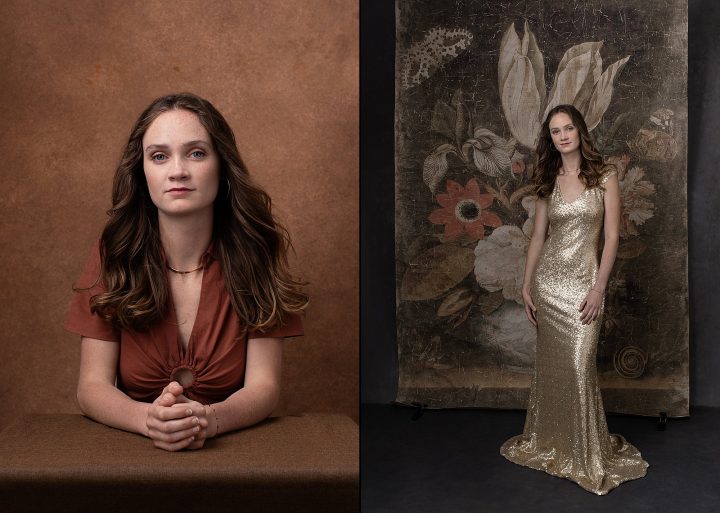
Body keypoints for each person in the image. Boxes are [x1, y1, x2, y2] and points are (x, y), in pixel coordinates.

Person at [66, 93, 308, 452]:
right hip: (130, 458)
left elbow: (265, 387)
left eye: (196, 153)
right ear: (141, 170)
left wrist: (210, 421)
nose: (177, 170)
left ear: (222, 165)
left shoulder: (257, 250)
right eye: (159, 156)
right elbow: (91, 388)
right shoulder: (113, 251)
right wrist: (148, 420)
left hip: (235, 455)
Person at [499, 104, 648, 494]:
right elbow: (537, 238)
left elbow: (612, 237)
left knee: (580, 370)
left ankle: (585, 455)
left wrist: (598, 288)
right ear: (550, 139)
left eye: (568, 128)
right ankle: (556, 444)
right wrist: (527, 285)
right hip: (549, 285)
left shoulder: (604, 176)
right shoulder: (548, 179)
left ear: (580, 131)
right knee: (554, 372)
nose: (563, 136)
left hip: (584, 286)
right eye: (555, 131)